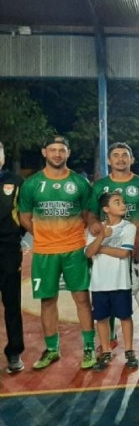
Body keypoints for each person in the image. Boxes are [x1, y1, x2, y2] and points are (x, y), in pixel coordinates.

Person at [18, 136, 97, 370]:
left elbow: (88, 215)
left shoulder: (80, 183)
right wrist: (44, 234)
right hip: (44, 252)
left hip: (74, 250)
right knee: (47, 300)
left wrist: (71, 234)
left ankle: (89, 347)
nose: (57, 154)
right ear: (44, 152)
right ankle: (52, 349)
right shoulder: (32, 184)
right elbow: (24, 217)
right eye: (52, 150)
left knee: (82, 299)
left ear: (68, 153)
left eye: (61, 150)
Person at [89, 142, 139, 352]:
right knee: (107, 291)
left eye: (124, 155)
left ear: (132, 159)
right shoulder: (99, 186)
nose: (120, 159)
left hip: (136, 249)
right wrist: (93, 225)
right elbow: (92, 213)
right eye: (116, 155)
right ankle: (108, 338)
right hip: (108, 250)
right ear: (109, 160)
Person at [85, 192, 138, 371]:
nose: (123, 205)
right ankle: (106, 351)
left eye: (123, 202)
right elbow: (88, 253)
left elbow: (124, 253)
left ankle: (129, 351)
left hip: (120, 281)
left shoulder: (128, 227)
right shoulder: (95, 229)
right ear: (106, 209)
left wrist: (101, 247)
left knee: (125, 316)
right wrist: (101, 236)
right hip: (99, 283)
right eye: (117, 202)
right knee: (101, 318)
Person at [0, 140, 25, 373]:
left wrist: (15, 236)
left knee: (11, 303)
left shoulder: (15, 182)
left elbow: (25, 214)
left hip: (8, 250)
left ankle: (14, 352)